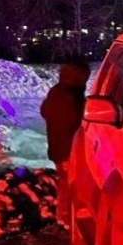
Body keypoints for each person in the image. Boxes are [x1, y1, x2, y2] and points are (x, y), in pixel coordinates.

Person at [40, 61, 91, 228]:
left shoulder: (56, 91)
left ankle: (62, 216)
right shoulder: (72, 98)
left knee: (64, 182)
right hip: (69, 148)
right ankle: (69, 218)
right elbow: (78, 123)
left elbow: (44, 110)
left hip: (56, 145)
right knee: (72, 184)